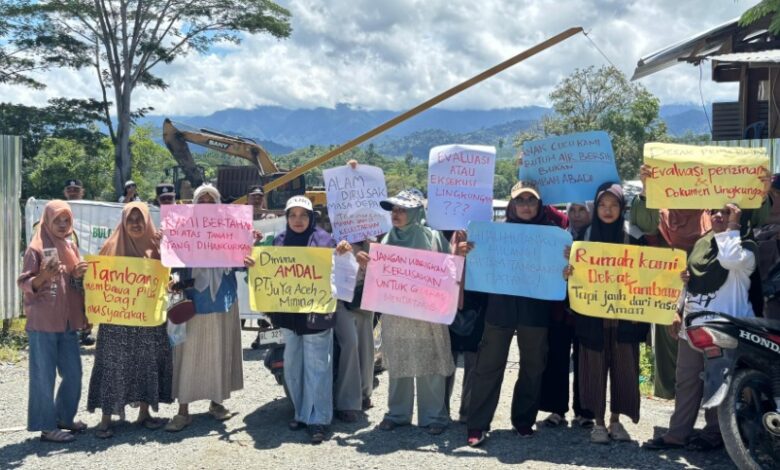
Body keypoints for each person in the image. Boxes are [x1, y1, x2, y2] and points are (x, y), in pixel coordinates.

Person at [644, 203, 757, 452]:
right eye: (715, 211)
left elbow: (728, 259)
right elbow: (689, 280)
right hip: (693, 327)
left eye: (726, 212)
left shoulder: (745, 248)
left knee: (717, 381)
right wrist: (677, 310)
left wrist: (733, 225)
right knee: (685, 381)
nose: (718, 216)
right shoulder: (701, 245)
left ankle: (715, 433)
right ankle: (678, 434)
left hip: (723, 330)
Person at [465, 181, 568, 447]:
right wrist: (470, 252)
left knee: (533, 366)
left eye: (531, 200)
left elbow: (563, 272)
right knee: (488, 365)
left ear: (539, 204)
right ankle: (477, 424)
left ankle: (523, 420)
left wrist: (568, 264)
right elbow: (478, 266)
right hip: (500, 308)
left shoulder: (554, 235)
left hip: (536, 311)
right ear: (511, 204)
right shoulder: (494, 234)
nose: (525, 205)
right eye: (520, 200)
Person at [357, 189, 455, 436]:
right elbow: (379, 278)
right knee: (398, 361)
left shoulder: (434, 238)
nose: (396, 214)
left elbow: (450, 273)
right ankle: (397, 414)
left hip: (427, 315)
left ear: (416, 212)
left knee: (430, 362)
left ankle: (434, 416)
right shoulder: (385, 241)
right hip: (397, 314)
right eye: (394, 209)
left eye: (402, 209)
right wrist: (367, 265)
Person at [165, 184, 254, 432]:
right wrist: (172, 274)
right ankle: (183, 410)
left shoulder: (230, 230)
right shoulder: (183, 230)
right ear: (194, 204)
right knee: (187, 353)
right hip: (192, 299)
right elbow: (173, 262)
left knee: (219, 350)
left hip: (223, 298)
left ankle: (217, 403)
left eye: (210, 200)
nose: (206, 204)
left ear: (218, 204)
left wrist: (249, 253)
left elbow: (240, 264)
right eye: (201, 200)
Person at [565, 182, 648, 445]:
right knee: (593, 367)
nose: (608, 210)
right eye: (602, 204)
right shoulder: (585, 237)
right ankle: (598, 422)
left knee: (624, 368)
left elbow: (649, 272)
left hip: (626, 315)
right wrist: (569, 272)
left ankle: (616, 420)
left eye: (613, 205)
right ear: (596, 207)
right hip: (592, 315)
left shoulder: (634, 235)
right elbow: (575, 274)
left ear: (622, 207)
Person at [268, 195, 350, 444]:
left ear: (311, 217)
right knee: (293, 366)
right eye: (292, 215)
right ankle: (301, 413)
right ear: (286, 218)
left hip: (317, 315)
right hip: (289, 315)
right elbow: (269, 271)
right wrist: (253, 262)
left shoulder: (325, 241)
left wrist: (342, 253)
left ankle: (319, 420)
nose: (298, 220)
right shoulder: (279, 241)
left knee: (318, 367)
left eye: (303, 215)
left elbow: (339, 271)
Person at [87, 202, 173, 438]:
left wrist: (164, 252)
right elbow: (96, 282)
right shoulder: (109, 248)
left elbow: (169, 278)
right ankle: (106, 418)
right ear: (123, 222)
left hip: (148, 322)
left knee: (147, 364)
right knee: (112, 367)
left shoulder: (156, 248)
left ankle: (144, 412)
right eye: (131, 219)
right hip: (116, 323)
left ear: (147, 221)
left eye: (140, 219)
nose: (135, 224)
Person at [18, 200, 89, 442]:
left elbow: (74, 285)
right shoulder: (36, 249)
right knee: (43, 376)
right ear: (47, 220)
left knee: (74, 373)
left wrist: (76, 275)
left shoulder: (70, 247)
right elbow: (24, 283)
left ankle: (64, 418)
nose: (62, 224)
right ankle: (47, 427)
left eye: (66, 220)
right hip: (43, 323)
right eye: (57, 219)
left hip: (68, 322)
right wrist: (42, 276)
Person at [539, 201, 595, 429]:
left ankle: (585, 411)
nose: (577, 214)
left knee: (586, 361)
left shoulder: (599, 238)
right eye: (572, 210)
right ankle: (556, 409)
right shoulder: (559, 236)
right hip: (560, 309)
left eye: (582, 210)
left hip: (588, 310)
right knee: (557, 357)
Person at [332, 160, 378, 421]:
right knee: (349, 344)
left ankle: (364, 392)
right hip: (340, 297)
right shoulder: (331, 229)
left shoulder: (374, 232)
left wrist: (367, 257)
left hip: (364, 295)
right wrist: (343, 253)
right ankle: (347, 401)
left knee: (366, 345)